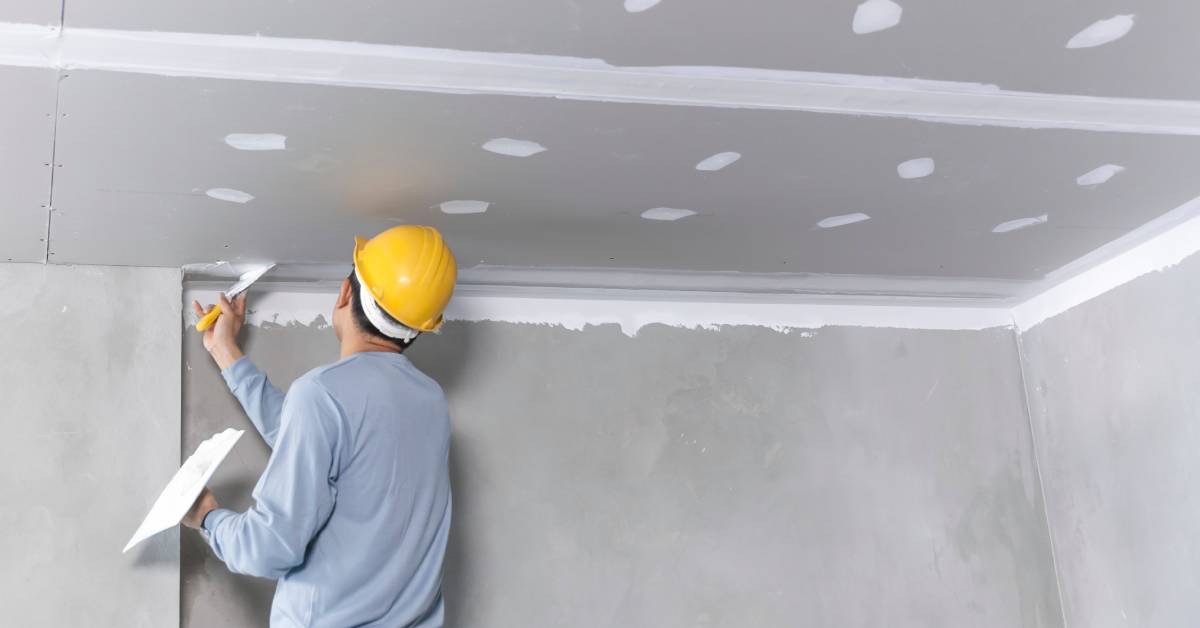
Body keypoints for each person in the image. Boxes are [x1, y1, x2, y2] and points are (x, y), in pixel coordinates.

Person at [183, 225, 458, 627]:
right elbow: (316, 441)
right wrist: (227, 354)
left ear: (346, 293)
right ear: (420, 326)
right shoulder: (431, 402)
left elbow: (268, 548)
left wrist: (208, 517)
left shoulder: (322, 395)